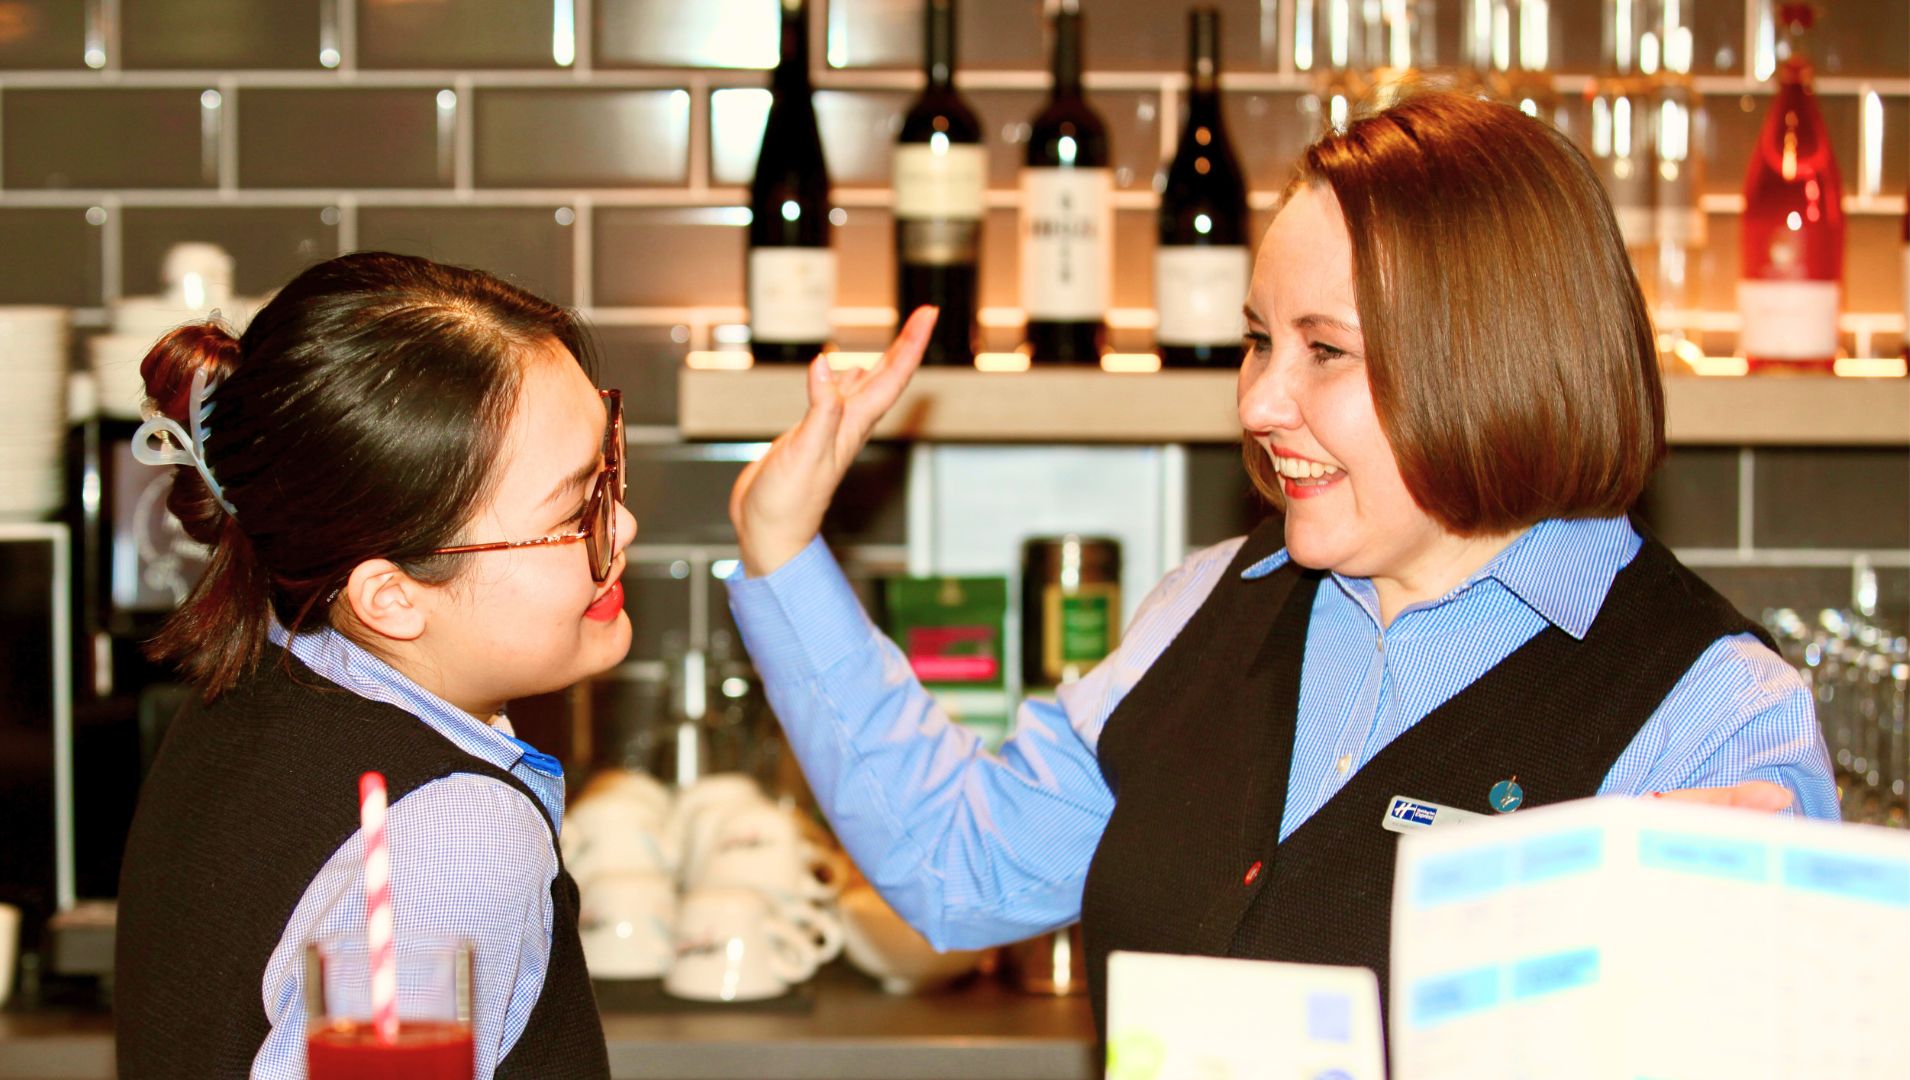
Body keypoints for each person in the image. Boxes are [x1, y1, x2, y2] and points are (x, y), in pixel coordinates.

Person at [723, 90, 1837, 1030]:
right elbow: (962, 870)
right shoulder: (1205, 603)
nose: (1256, 402)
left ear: (1485, 359)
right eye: (1260, 340)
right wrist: (780, 549)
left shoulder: (1713, 718)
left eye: (1323, 351)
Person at [115, 252, 628, 1078]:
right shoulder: (455, 839)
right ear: (389, 597)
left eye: (607, 473)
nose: (624, 525)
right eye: (576, 510)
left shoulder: (254, 683)